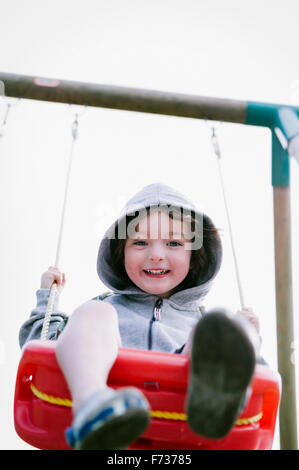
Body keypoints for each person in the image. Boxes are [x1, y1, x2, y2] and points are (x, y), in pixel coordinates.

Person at [19, 182, 261, 450]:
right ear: (120, 251)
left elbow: (259, 382)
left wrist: (245, 339)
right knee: (92, 313)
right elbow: (40, 349)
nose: (156, 255)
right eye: (140, 242)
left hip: (184, 420)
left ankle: (214, 403)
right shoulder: (105, 313)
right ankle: (93, 406)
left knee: (218, 326)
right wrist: (47, 300)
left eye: (173, 242)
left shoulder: (202, 327)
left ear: (194, 255)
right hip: (107, 404)